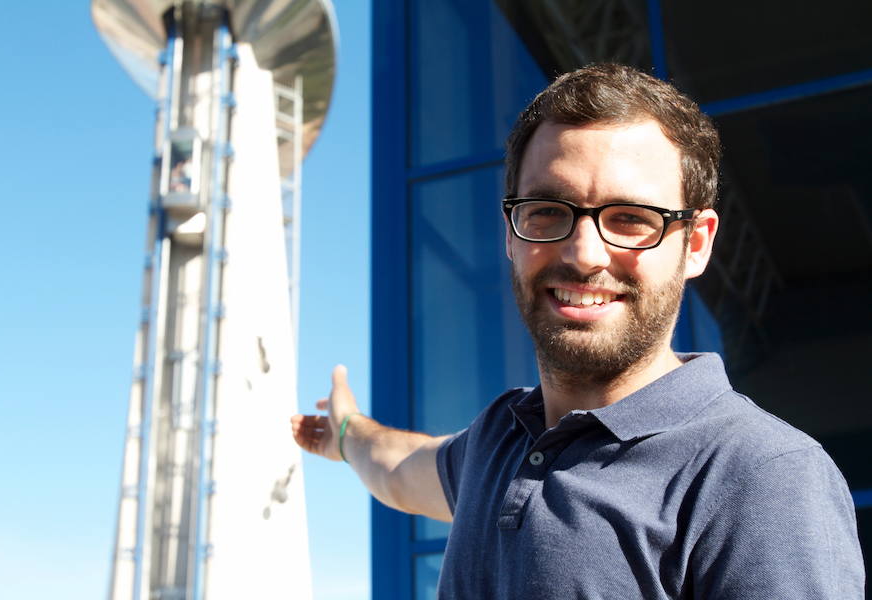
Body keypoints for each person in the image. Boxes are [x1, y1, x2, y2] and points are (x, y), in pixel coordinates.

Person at [291, 64, 864, 598]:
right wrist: (345, 432)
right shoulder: (499, 439)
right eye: (547, 210)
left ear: (696, 243)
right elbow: (397, 470)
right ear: (511, 234)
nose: (585, 254)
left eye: (631, 219)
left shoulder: (761, 475)